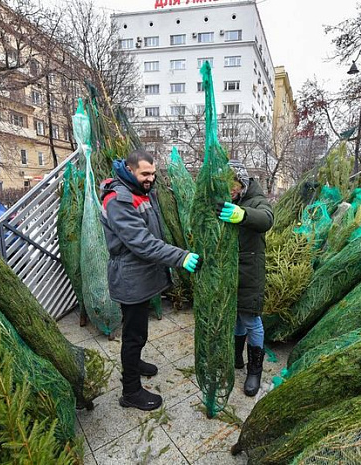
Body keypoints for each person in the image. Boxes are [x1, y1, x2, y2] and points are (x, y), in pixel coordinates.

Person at [100, 149, 201, 411]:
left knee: (140, 330)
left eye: (153, 173)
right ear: (130, 169)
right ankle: (130, 391)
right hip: (130, 278)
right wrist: (181, 257)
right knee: (133, 335)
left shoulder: (140, 192)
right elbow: (142, 243)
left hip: (142, 275)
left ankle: (136, 365)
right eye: (145, 173)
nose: (150, 178)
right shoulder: (118, 200)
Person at [216, 160, 273, 396]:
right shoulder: (227, 201)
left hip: (250, 271)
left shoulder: (256, 200)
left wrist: (243, 215)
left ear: (242, 182)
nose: (229, 189)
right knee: (235, 316)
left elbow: (266, 219)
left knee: (251, 319)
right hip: (229, 271)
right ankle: (236, 357)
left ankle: (254, 371)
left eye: (232, 184)